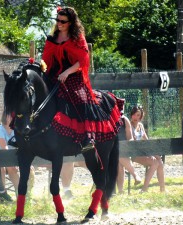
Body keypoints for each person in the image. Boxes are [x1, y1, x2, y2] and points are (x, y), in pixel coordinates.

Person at [42, 6, 123, 151]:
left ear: (71, 23)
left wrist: (67, 72)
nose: (59, 23)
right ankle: (23, 134)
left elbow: (83, 60)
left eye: (63, 21)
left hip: (73, 76)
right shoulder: (52, 38)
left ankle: (87, 137)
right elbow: (46, 60)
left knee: (80, 98)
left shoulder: (77, 39)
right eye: (58, 20)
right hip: (54, 75)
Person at [130, 106, 166, 193]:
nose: (136, 117)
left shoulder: (141, 125)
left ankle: (162, 189)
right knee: (154, 162)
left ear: (141, 116)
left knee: (159, 162)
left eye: (138, 115)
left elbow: (147, 141)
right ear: (131, 115)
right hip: (132, 153)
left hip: (142, 152)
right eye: (134, 115)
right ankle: (144, 188)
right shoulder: (129, 125)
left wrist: (153, 152)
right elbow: (133, 144)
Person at [116, 114, 142, 194]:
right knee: (119, 159)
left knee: (119, 160)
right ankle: (135, 174)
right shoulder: (106, 118)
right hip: (111, 151)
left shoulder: (124, 120)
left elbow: (130, 137)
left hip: (124, 150)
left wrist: (126, 145)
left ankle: (120, 190)